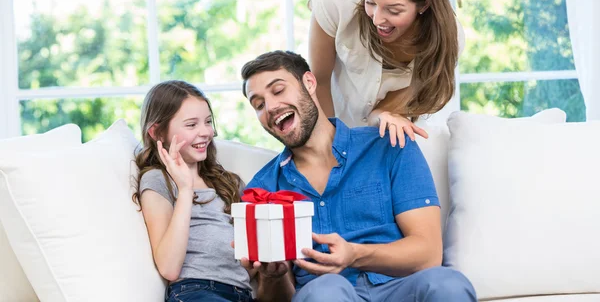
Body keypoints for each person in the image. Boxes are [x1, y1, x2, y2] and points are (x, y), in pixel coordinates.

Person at [240, 51, 476, 302]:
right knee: (327, 289)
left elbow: (428, 253)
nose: (271, 107)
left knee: (448, 284)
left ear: (309, 83)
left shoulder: (389, 144)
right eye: (259, 104)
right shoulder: (262, 189)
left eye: (278, 91)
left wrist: (354, 254)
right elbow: (277, 297)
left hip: (399, 289)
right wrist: (273, 277)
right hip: (323, 294)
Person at [308, 0, 465, 147]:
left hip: (387, 138)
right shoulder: (336, 0)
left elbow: (383, 114)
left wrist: (383, 118)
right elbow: (318, 82)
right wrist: (330, 146)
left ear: (424, 4)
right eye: (371, 2)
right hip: (332, 127)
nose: (377, 19)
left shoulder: (446, 40)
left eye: (394, 10)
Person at [132, 80, 253, 302]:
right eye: (191, 125)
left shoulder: (227, 183)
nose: (206, 132)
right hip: (196, 291)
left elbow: (248, 261)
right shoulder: (158, 180)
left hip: (242, 293)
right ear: (157, 132)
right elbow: (169, 267)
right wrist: (186, 189)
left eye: (208, 122)